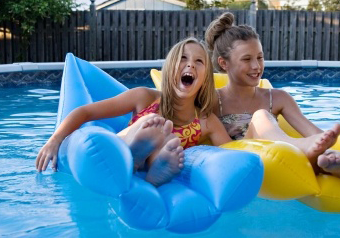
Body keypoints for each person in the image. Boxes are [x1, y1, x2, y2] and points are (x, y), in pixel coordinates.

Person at [36, 37, 232, 187]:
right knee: (153, 125)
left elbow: (234, 154)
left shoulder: (207, 121)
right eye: (183, 58)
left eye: (199, 61)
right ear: (170, 67)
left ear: (206, 76)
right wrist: (55, 139)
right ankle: (134, 152)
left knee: (168, 142)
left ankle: (154, 169)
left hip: (155, 163)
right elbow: (85, 112)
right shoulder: (144, 97)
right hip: (120, 147)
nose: (190, 64)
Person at [205, 12, 340, 187]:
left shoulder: (277, 98)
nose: (256, 66)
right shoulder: (211, 100)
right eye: (247, 59)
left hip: (280, 161)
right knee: (261, 116)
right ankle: (304, 149)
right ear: (224, 63)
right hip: (241, 166)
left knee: (316, 154)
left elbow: (314, 133)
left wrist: (328, 150)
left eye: (260, 57)